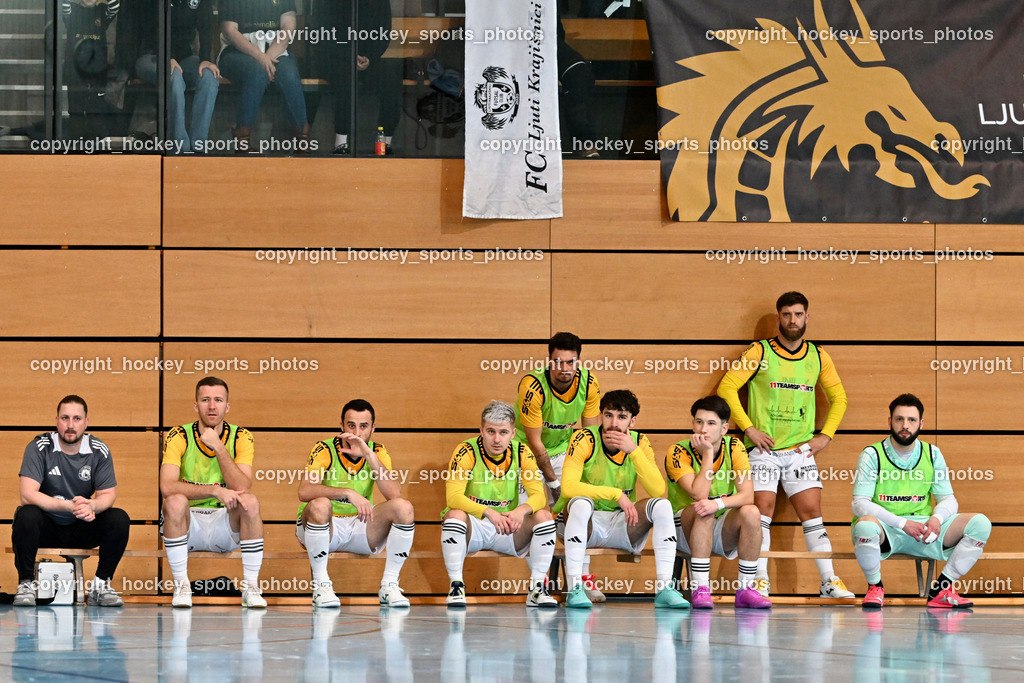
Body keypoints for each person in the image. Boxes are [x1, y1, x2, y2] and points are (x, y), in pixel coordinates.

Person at [717, 291, 854, 598]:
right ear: (778, 317)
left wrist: (825, 436)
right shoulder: (759, 352)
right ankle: (759, 581)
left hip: (799, 452)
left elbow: (840, 399)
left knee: (812, 512)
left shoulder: (819, 356)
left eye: (799, 314)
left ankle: (829, 581)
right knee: (760, 511)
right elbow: (727, 387)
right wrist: (749, 429)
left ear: (807, 317)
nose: (793, 320)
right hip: (763, 451)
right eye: (787, 314)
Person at [852, 394, 990, 608]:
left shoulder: (932, 453)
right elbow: (859, 504)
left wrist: (936, 518)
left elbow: (949, 500)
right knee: (864, 527)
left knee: (980, 524)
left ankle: (941, 589)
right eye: (899, 419)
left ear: (921, 423)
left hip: (925, 530)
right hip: (887, 530)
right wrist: (901, 523)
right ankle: (875, 587)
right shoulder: (872, 454)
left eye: (911, 420)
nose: (905, 425)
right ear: (889, 421)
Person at [556, 389, 689, 609]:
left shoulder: (639, 442)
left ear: (632, 421)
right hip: (584, 523)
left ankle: (665, 588)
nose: (614, 423)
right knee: (580, 502)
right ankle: (574, 588)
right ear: (601, 416)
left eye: (622, 417)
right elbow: (568, 488)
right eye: (608, 415)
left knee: (662, 505)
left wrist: (634, 452)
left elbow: (657, 489)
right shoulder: (584, 437)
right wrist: (615, 494)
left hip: (622, 525)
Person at [296, 399, 416, 608]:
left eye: (363, 426)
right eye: (351, 425)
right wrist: (347, 492)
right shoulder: (324, 448)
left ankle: (389, 585)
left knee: (404, 508)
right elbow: (304, 490)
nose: (357, 433)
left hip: (360, 525)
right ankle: (321, 586)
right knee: (320, 504)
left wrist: (368, 455)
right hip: (325, 525)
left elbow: (394, 493)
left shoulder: (377, 451)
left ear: (373, 428)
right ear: (341, 425)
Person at [12, 395, 129, 607]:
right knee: (26, 514)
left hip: (81, 528)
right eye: (65, 418)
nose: (70, 425)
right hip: (46, 528)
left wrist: (92, 505)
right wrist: (68, 506)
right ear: (56, 420)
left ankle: (100, 586)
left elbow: (108, 495)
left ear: (86, 422)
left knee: (119, 518)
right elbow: (27, 493)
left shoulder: (98, 450)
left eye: (77, 418)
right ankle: (26, 584)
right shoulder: (39, 446)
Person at [160, 377, 266, 608]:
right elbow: (167, 486)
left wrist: (218, 445)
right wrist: (214, 491)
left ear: (227, 406)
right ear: (196, 405)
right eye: (205, 400)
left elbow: (242, 486)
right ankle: (182, 587)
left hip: (224, 524)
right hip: (188, 524)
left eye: (218, 400)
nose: (212, 406)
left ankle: (251, 587)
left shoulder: (241, 436)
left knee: (250, 501)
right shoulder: (178, 435)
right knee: (175, 501)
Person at [440, 401, 558, 608]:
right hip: (475, 528)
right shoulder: (465, 450)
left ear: (513, 433)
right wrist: (488, 512)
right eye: (491, 431)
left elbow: (539, 496)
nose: (496, 439)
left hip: (507, 528)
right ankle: (456, 586)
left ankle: (538, 588)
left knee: (544, 517)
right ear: (481, 431)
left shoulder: (522, 451)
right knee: (454, 515)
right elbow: (453, 498)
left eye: (503, 432)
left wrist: (520, 511)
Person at [514, 331, 604, 600]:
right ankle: (539, 584)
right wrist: (553, 484)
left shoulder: (589, 383)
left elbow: (591, 435)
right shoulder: (533, 386)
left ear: (578, 361)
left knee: (581, 505)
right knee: (535, 512)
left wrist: (589, 475)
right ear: (549, 360)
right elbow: (536, 443)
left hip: (564, 450)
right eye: (558, 362)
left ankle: (580, 579)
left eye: (570, 362)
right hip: (526, 453)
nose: (564, 369)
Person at [667, 396, 771, 609]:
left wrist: (719, 505)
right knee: (702, 509)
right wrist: (707, 455)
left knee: (751, 512)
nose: (703, 429)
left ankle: (746, 589)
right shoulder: (678, 451)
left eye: (711, 423)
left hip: (717, 522)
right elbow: (699, 493)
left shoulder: (734, 446)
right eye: (698, 422)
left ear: (724, 428)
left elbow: (747, 495)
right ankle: (701, 589)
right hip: (682, 528)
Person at [307, 0, 401, 155]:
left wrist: (369, 57)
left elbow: (384, 31)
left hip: (367, 58)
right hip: (333, 58)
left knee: (391, 79)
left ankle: (384, 143)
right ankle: (341, 142)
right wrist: (350, 57)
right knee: (346, 79)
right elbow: (321, 33)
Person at [217, 0, 310, 153]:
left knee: (289, 73)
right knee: (257, 71)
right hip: (237, 52)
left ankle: (302, 137)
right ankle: (242, 137)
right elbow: (229, 30)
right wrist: (260, 58)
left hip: (275, 49)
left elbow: (289, 26)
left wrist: (267, 57)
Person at [134, 0, 219, 154]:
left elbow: (206, 25)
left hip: (184, 57)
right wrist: (167, 56)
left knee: (209, 76)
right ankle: (179, 147)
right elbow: (149, 27)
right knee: (174, 76)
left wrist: (206, 58)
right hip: (151, 54)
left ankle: (199, 146)